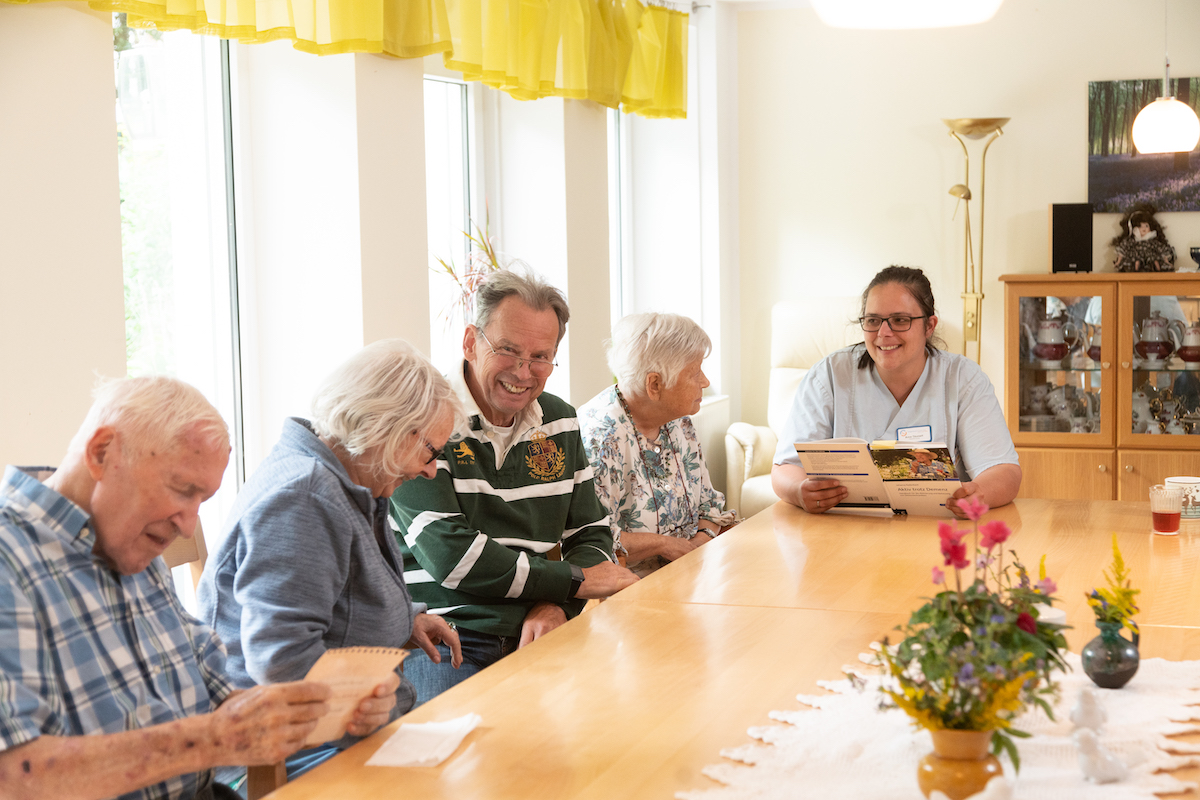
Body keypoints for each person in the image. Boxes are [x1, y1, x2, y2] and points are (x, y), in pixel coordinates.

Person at [0, 376, 331, 800]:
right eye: (182, 489)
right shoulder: (12, 558)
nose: (188, 525)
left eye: (202, 500)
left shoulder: (129, 544)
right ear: (102, 453)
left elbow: (221, 694)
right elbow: (17, 779)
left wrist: (322, 711)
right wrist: (216, 739)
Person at [197, 340, 464, 783]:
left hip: (326, 735)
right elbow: (282, 662)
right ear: (387, 429)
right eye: (431, 452)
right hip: (277, 751)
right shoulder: (304, 498)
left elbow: (336, 589)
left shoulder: (348, 479)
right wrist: (377, 700)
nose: (431, 470)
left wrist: (404, 618)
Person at [389, 270, 639, 704]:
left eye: (541, 356)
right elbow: (454, 557)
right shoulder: (423, 419)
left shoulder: (559, 419)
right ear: (470, 342)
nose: (524, 372)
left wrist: (557, 605)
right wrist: (573, 582)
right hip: (448, 639)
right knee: (453, 760)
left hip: (542, 628)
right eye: (508, 350)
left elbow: (590, 533)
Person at [771, 266, 1021, 519]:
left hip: (936, 530)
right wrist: (799, 491)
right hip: (846, 530)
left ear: (929, 326)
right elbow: (786, 467)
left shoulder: (962, 378)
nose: (883, 333)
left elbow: (1004, 472)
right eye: (873, 321)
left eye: (900, 320)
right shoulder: (830, 375)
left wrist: (979, 494)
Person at [578, 313, 736, 577]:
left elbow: (709, 505)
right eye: (695, 372)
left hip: (692, 569)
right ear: (654, 385)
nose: (705, 382)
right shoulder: (601, 435)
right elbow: (596, 538)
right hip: (632, 586)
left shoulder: (678, 421)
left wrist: (698, 544)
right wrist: (665, 546)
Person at [1111, 203, 1175, 272]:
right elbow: (1122, 250)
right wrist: (1118, 262)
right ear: (1134, 228)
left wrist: (1167, 262)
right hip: (1134, 258)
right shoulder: (1131, 241)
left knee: (1155, 261)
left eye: (1146, 226)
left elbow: (1162, 250)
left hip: (1151, 260)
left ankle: (1157, 268)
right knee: (1136, 261)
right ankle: (1135, 268)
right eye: (1140, 226)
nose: (1143, 228)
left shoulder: (1153, 242)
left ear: (1151, 227)